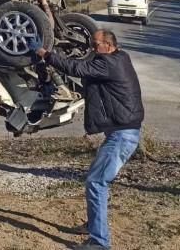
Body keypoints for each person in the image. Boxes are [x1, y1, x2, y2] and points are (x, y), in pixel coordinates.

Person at [36, 29, 144, 250]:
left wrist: (46, 54)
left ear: (108, 44)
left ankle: (99, 241)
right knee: (98, 181)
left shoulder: (108, 64)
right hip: (123, 132)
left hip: (122, 136)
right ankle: (95, 225)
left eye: (96, 45)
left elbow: (78, 68)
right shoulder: (120, 57)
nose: (92, 49)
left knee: (96, 182)